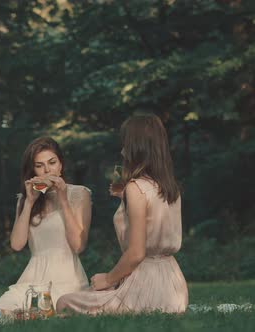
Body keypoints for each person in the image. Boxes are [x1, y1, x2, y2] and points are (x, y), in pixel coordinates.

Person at [56, 113, 188, 315]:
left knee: (64, 302)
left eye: (126, 144)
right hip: (173, 287)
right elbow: (154, 217)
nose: (122, 150)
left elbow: (136, 253)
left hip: (146, 288)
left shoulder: (136, 189)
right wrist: (125, 200)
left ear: (136, 148)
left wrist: (108, 279)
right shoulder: (170, 187)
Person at [0, 137, 92, 311]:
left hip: (68, 278)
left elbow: (79, 246)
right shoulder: (25, 200)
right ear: (33, 171)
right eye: (39, 166)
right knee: (2, 308)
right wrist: (29, 202)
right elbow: (17, 244)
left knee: (46, 309)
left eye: (52, 163)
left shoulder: (79, 194)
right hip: (32, 277)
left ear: (61, 165)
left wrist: (63, 198)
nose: (47, 170)